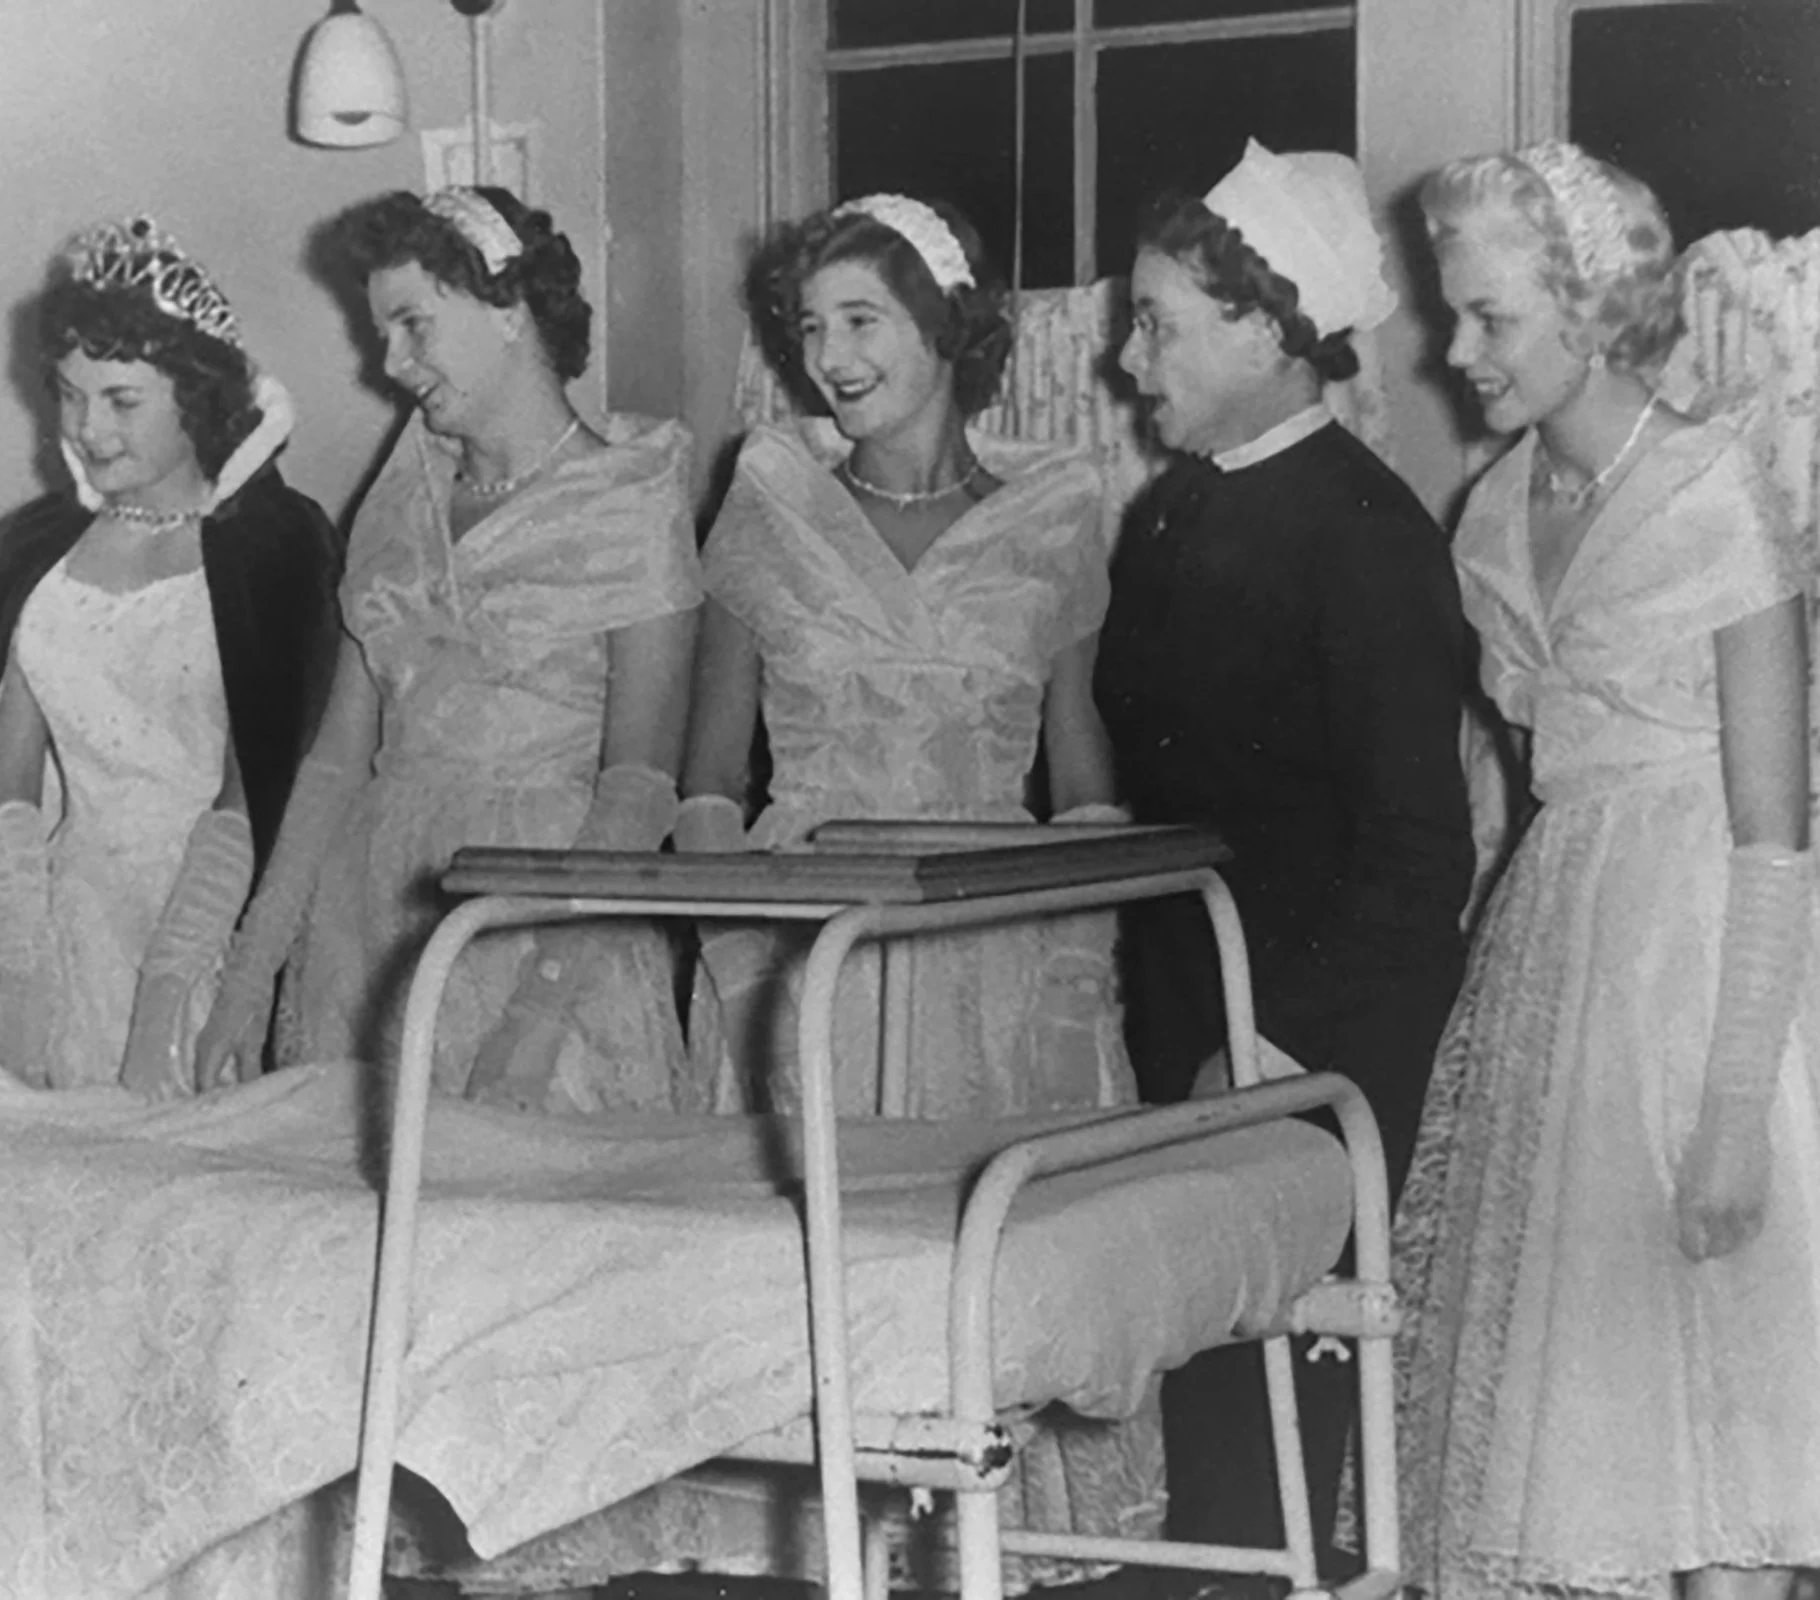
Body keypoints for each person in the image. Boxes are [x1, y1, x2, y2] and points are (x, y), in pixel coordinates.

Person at [665, 190, 1161, 1580]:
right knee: (819, 1346)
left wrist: (1083, 968)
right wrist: (736, 966)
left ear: (948, 326)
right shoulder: (767, 490)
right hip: (805, 947)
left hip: (994, 942)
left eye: (862, 319)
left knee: (983, 1324)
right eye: (809, 328)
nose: (829, 354)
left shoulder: (1058, 505)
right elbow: (710, 778)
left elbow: (1082, 768)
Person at [1394, 143, 1820, 1600]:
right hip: (1565, 973)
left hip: (1715, 978)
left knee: (1739, 1451)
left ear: (1591, 308)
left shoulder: (1715, 487)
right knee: (1601, 1455)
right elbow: (1518, 794)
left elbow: (1776, 833)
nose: (1456, 354)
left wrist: (1732, 1122)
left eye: (1491, 319)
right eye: (1454, 314)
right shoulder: (1492, 518)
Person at [1091, 142, 1476, 1581]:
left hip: (1314, 1038)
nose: (1133, 360)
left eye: (1159, 324)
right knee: (1207, 1403)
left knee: (1284, 1415)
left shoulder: (1368, 534)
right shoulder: (1171, 514)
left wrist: (1268, 1050)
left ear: (1268, 328)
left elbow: (1415, 855)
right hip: (1191, 1011)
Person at [194, 186, 697, 1109]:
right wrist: (246, 973)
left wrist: (535, 1021)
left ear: (507, 309)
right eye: (384, 332)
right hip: (373, 929)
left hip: (545, 931)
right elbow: (337, 765)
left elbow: (638, 785)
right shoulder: (399, 494)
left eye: (414, 325)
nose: (393, 363)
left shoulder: (633, 494)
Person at [0, 217, 342, 1097]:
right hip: (62, 935)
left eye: (122, 400)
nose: (88, 428)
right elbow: (4, 779)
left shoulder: (269, 546)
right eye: (70, 397)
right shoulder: (32, 553)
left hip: (201, 937)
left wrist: (168, 998)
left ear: (195, 397)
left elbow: (253, 784)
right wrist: (26, 983)